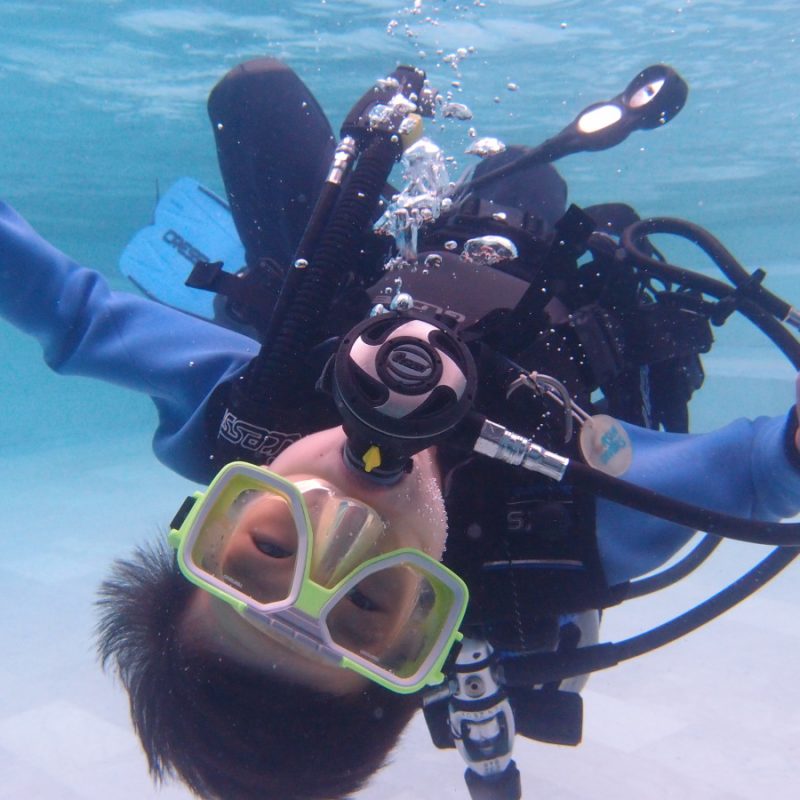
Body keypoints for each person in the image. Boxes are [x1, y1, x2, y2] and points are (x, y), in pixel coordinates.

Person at [2, 57, 800, 800]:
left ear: (213, 517)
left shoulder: (248, 419)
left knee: (253, 94)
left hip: (351, 284)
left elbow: (74, 315)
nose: (344, 526)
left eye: (271, 548)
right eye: (367, 599)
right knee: (523, 173)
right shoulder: (566, 533)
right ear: (425, 626)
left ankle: (276, 273)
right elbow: (760, 471)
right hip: (528, 294)